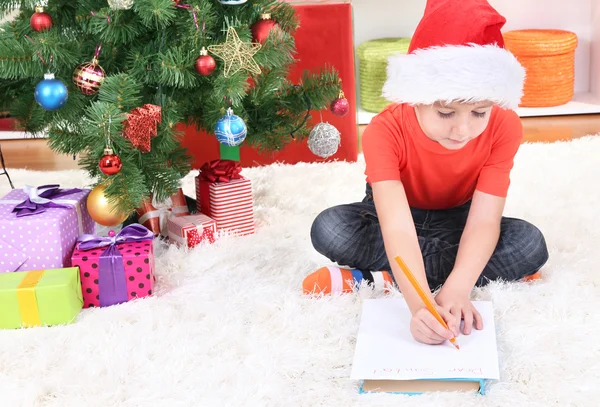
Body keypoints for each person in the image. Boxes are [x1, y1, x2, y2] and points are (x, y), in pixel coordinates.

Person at [304, 0, 549, 346]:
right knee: (330, 228)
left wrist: (456, 291)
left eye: (479, 113)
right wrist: (420, 305)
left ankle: (383, 278)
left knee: (531, 244)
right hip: (393, 218)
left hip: (460, 220)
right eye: (446, 113)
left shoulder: (505, 126)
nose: (462, 131)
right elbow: (396, 226)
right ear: (415, 96)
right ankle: (430, 272)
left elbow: (483, 223)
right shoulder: (382, 131)